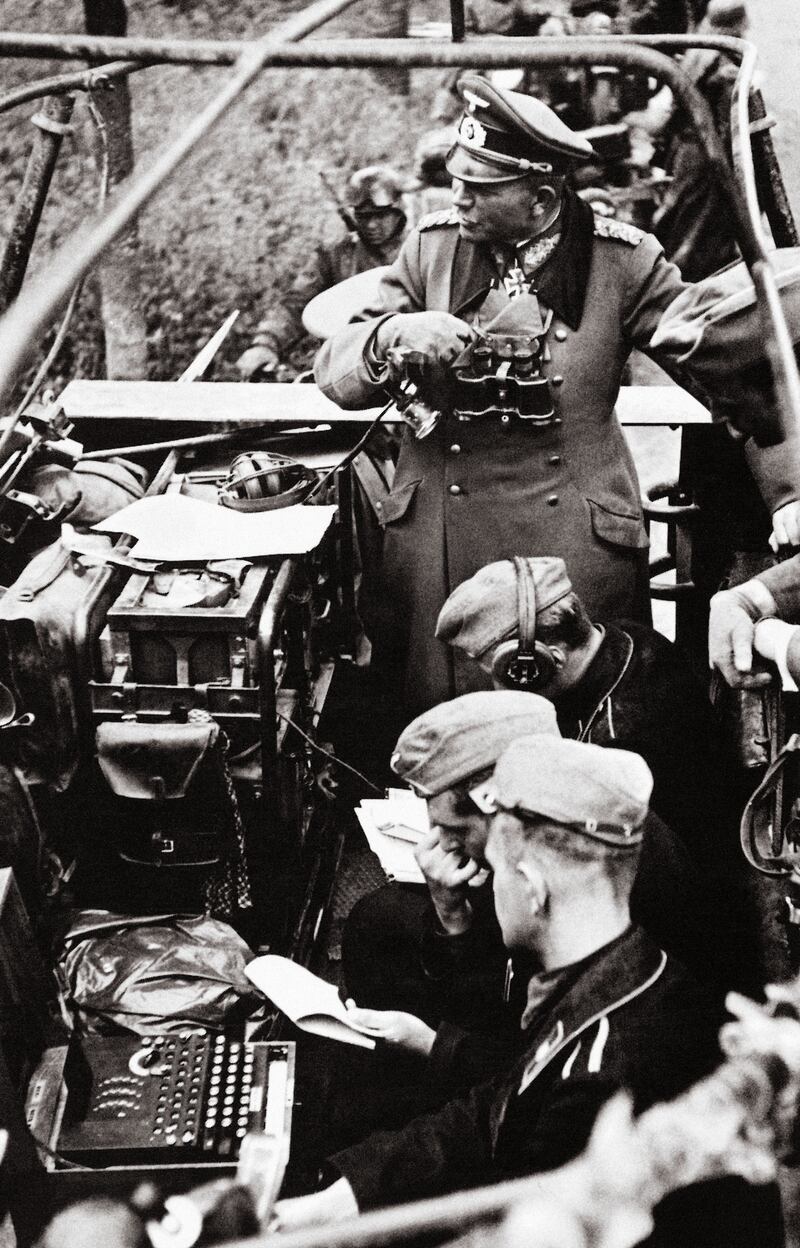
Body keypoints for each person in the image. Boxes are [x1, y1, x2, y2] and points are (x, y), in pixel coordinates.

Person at [314, 73, 800, 719]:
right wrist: (390, 336)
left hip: (572, 547)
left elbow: (735, 373)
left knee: (580, 717)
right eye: (456, 179)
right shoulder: (431, 249)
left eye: (479, 187)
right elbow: (335, 368)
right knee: (450, 725)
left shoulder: (621, 261)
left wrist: (791, 493)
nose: (457, 197)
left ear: (540, 197)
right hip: (441, 544)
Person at [273, 737, 783, 1246]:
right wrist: (345, 1197)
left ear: (533, 887)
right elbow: (497, 1106)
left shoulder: (602, 1070)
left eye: (496, 870)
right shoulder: (617, 971)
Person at [342, 690, 562, 1092]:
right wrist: (450, 911)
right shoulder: (547, 825)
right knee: (377, 917)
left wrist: (431, 1045)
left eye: (455, 830)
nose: (440, 843)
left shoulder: (554, 891)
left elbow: (526, 1061)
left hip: (524, 1078)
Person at [435, 554, 729, 854]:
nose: (500, 690)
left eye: (504, 674)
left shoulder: (618, 742)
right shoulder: (627, 637)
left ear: (548, 659)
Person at [236, 165, 408, 379]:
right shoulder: (335, 255)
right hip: (348, 365)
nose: (372, 225)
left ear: (398, 212)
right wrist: (265, 343)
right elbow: (295, 304)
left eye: (381, 216)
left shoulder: (421, 249)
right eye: (364, 216)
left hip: (411, 359)